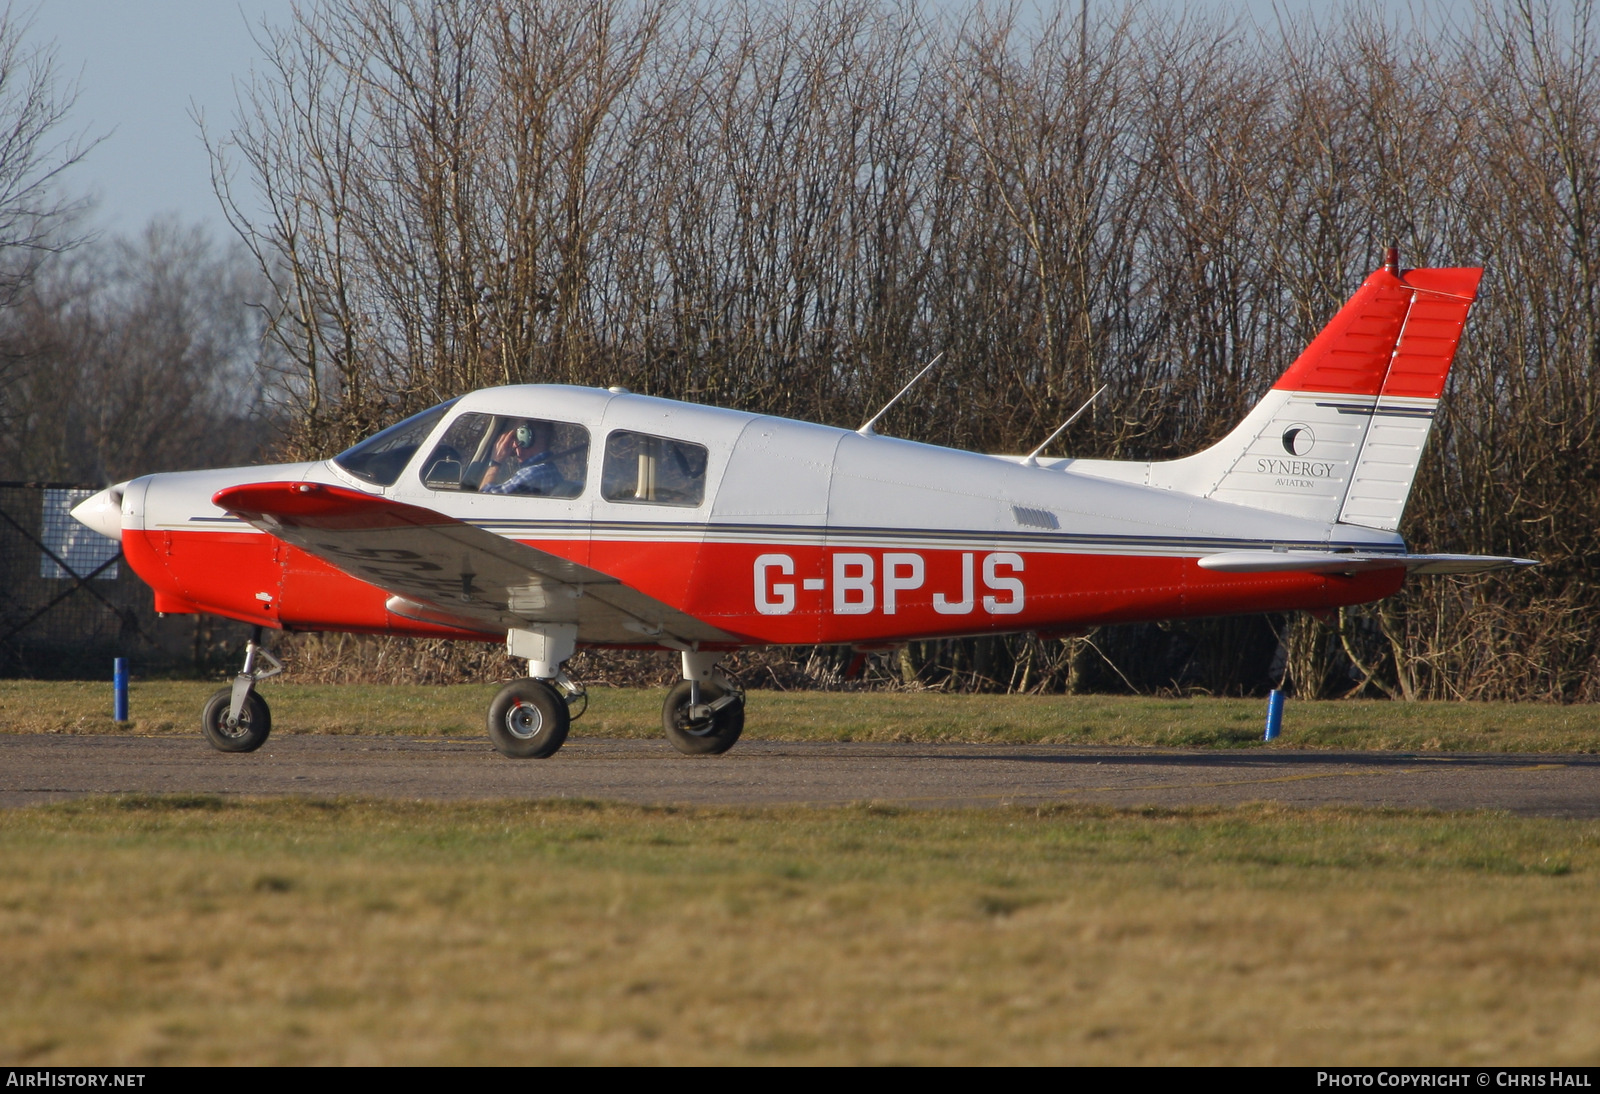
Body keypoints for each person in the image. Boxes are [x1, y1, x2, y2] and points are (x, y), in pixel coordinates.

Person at [480, 420, 563, 495]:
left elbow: (484, 498)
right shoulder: (550, 470)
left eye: (514, 436)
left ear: (524, 438)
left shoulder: (530, 475)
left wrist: (495, 462)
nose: (512, 443)